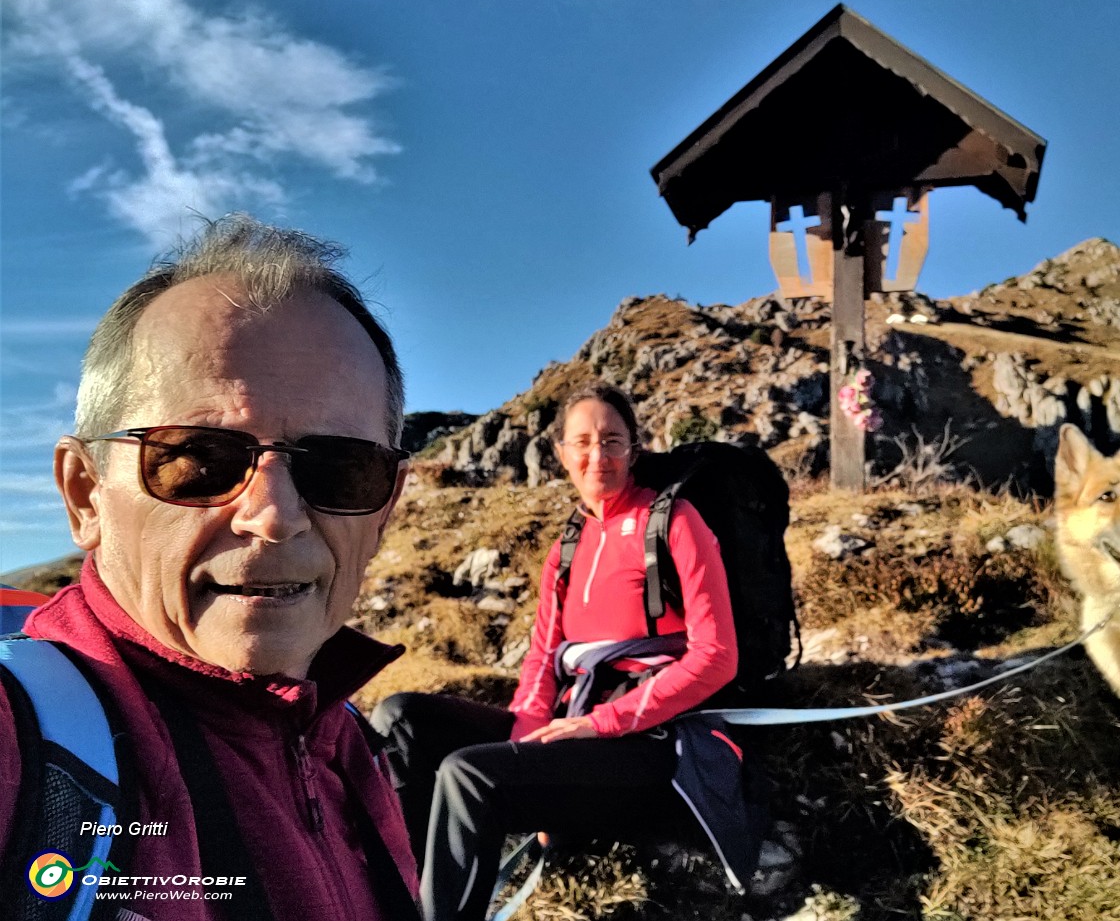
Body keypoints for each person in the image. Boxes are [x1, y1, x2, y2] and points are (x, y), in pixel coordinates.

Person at [0, 215, 420, 920]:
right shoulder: (21, 746)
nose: (275, 515)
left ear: (384, 509)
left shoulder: (344, 738)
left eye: (343, 470)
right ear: (85, 494)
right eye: (198, 459)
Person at [373, 383, 739, 921]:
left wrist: (603, 724)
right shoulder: (566, 547)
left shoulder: (674, 522)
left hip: (650, 748)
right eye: (583, 442)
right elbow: (542, 659)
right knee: (400, 718)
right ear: (561, 453)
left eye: (613, 440)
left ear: (635, 449)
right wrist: (529, 759)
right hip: (571, 733)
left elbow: (716, 656)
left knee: (467, 774)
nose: (598, 456)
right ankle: (403, 897)